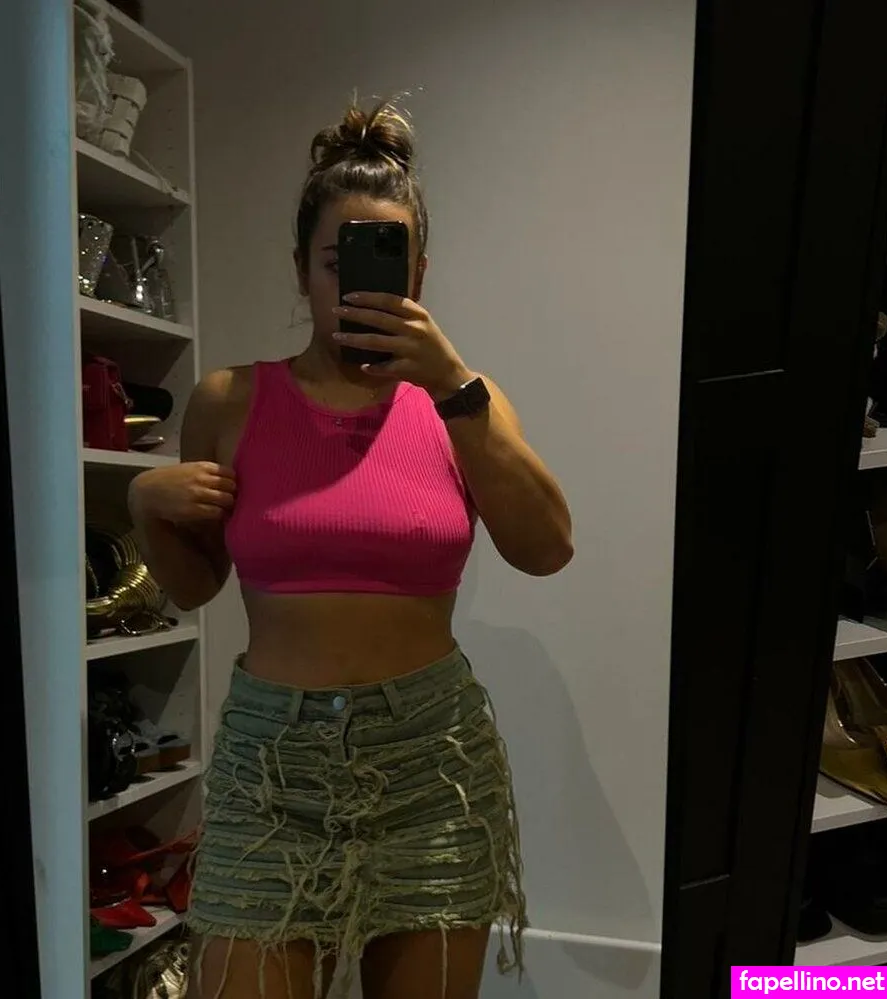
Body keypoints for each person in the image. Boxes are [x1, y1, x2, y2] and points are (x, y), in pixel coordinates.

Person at [128, 97, 573, 999]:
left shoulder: (466, 404)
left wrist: (453, 384)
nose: (357, 285)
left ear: (419, 273)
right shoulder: (228, 401)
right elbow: (196, 586)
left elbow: (547, 546)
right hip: (270, 769)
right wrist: (145, 506)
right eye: (337, 263)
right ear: (303, 269)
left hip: (430, 764)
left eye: (387, 262)